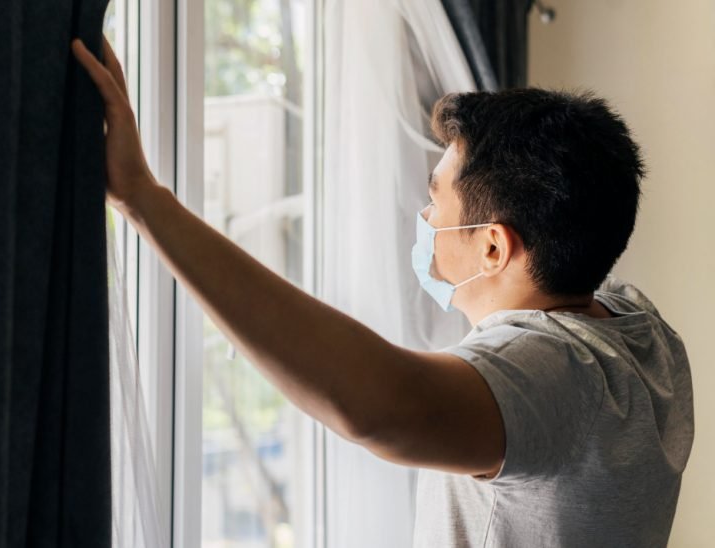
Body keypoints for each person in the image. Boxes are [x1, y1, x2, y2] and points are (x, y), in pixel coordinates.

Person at [71, 36, 694, 547]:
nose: (424, 218)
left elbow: (377, 406)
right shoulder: (643, 333)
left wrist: (144, 200)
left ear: (494, 248)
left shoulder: (556, 372)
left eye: (435, 198)